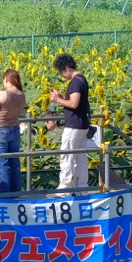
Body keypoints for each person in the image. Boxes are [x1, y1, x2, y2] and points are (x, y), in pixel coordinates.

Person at [49, 53, 91, 190]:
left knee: (67, 157)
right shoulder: (82, 80)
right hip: (82, 125)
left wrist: (56, 100)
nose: (61, 75)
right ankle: (81, 188)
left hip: (73, 126)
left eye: (61, 71)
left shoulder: (76, 82)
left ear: (67, 68)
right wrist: (61, 97)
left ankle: (64, 189)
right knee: (80, 159)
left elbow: (73, 104)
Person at [0, 69, 27, 195]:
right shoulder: (22, 95)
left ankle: (4, 194)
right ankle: (16, 193)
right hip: (15, 129)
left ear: (6, 80)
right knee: (15, 163)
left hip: (0, 130)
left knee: (2, 163)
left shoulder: (2, 94)